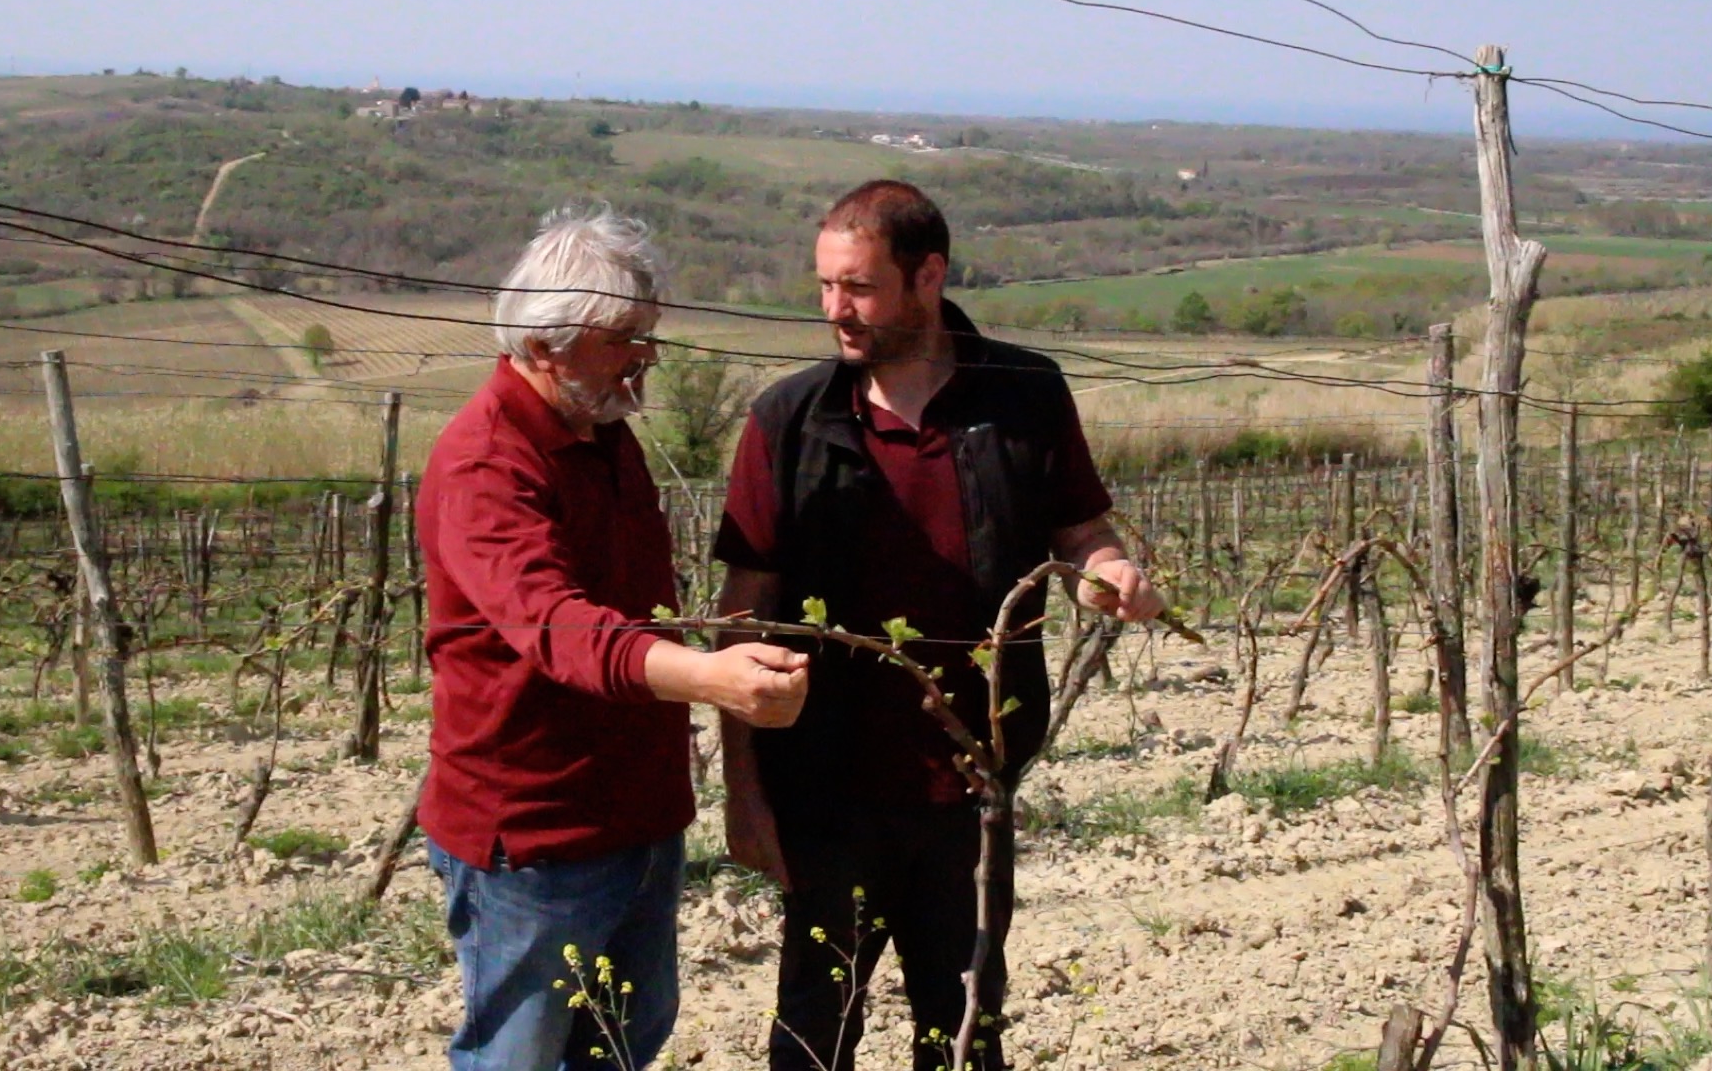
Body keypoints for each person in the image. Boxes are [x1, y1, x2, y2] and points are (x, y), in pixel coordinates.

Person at [714, 180, 1165, 1071]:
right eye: (825, 288)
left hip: (973, 784)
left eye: (859, 288)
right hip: (828, 789)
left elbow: (1081, 531)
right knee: (813, 1034)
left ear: (929, 277)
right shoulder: (788, 421)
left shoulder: (1026, 394)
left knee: (963, 1033)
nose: (836, 311)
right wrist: (746, 788)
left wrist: (1107, 574)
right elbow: (742, 613)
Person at [416, 205, 810, 1071]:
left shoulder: (604, 435)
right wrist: (708, 678)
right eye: (624, 337)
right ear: (545, 345)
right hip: (535, 835)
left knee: (628, 1043)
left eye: (649, 333)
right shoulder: (486, 465)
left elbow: (632, 609)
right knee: (518, 1058)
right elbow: (555, 625)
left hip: (637, 814)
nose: (647, 357)